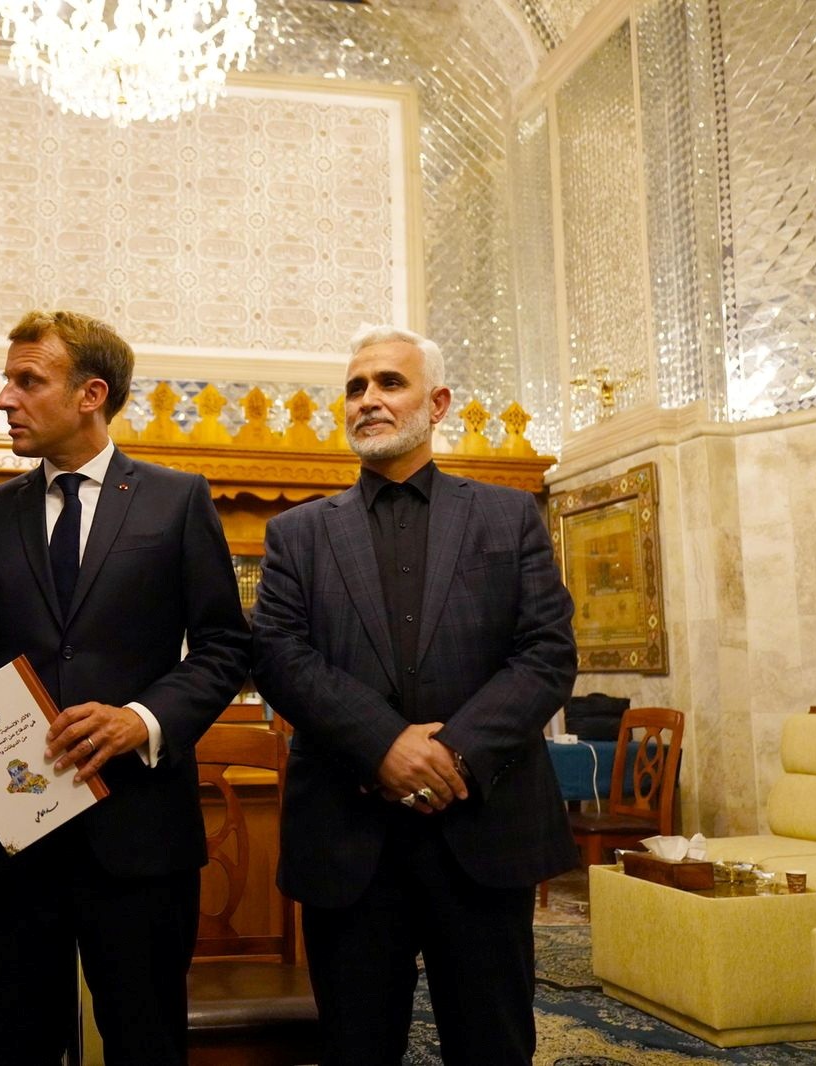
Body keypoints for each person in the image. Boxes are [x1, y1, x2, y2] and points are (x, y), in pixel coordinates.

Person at [0, 310, 250, 1066]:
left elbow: (227, 645)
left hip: (138, 839)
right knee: (16, 1044)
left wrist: (144, 718)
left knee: (146, 1043)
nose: (5, 397)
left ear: (90, 394)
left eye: (27, 381)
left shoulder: (176, 501)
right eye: (8, 380)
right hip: (13, 838)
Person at [250, 324, 578, 1066]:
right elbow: (277, 655)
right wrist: (384, 747)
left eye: (389, 383)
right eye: (355, 387)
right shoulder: (297, 534)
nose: (367, 400)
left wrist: (452, 755)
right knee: (356, 1046)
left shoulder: (506, 517)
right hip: (348, 836)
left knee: (492, 1044)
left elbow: (547, 653)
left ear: (437, 402)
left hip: (483, 830)